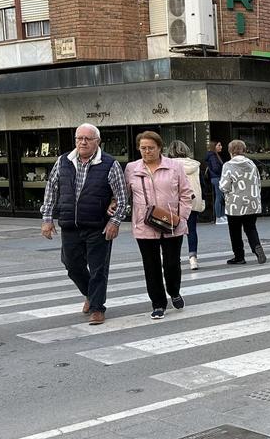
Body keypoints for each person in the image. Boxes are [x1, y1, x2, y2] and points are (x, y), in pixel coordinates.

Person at [40, 123, 128, 326]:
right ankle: (90, 293)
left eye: (88, 138)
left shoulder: (109, 163)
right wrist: (47, 219)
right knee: (71, 265)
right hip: (70, 224)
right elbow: (51, 191)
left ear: (97, 142)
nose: (83, 142)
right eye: (80, 138)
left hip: (98, 226)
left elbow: (123, 198)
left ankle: (97, 308)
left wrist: (115, 222)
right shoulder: (63, 161)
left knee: (98, 269)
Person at [125, 132, 192, 320]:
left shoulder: (174, 166)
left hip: (172, 223)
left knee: (172, 263)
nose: (147, 152)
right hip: (144, 225)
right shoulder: (131, 168)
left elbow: (186, 193)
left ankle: (174, 291)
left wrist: (181, 217)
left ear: (160, 148)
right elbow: (124, 194)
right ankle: (158, 304)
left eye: (151, 148)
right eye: (143, 148)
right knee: (151, 265)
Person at [220, 139, 266, 265]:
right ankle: (256, 247)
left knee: (234, 231)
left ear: (230, 151)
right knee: (251, 228)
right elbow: (258, 183)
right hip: (252, 202)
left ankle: (239, 256)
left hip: (235, 204)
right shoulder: (252, 164)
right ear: (244, 150)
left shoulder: (228, 165)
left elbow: (224, 186)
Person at [168, 140, 205, 269]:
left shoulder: (168, 165)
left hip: (174, 201)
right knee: (191, 230)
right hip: (192, 200)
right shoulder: (195, 165)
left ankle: (173, 258)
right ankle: (193, 258)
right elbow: (202, 184)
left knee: (173, 231)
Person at [205, 140, 226, 224]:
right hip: (217, 177)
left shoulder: (212, 155)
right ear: (214, 147)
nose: (221, 147)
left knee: (220, 196)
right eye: (219, 145)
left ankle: (221, 216)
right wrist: (221, 172)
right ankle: (219, 217)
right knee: (219, 196)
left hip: (215, 178)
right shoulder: (213, 156)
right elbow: (215, 167)